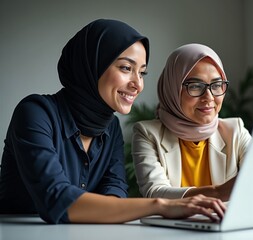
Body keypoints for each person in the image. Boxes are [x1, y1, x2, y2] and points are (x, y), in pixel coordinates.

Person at [0, 19, 225, 224]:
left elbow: (115, 189)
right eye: (126, 68)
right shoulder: (35, 112)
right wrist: (161, 206)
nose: (138, 84)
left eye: (142, 73)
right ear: (92, 64)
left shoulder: (111, 126)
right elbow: (56, 199)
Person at [132, 43, 252, 201]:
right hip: (171, 226)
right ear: (173, 89)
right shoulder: (147, 133)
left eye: (216, 85)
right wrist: (218, 193)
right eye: (195, 86)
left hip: (222, 223)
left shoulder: (235, 131)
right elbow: (155, 191)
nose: (209, 97)